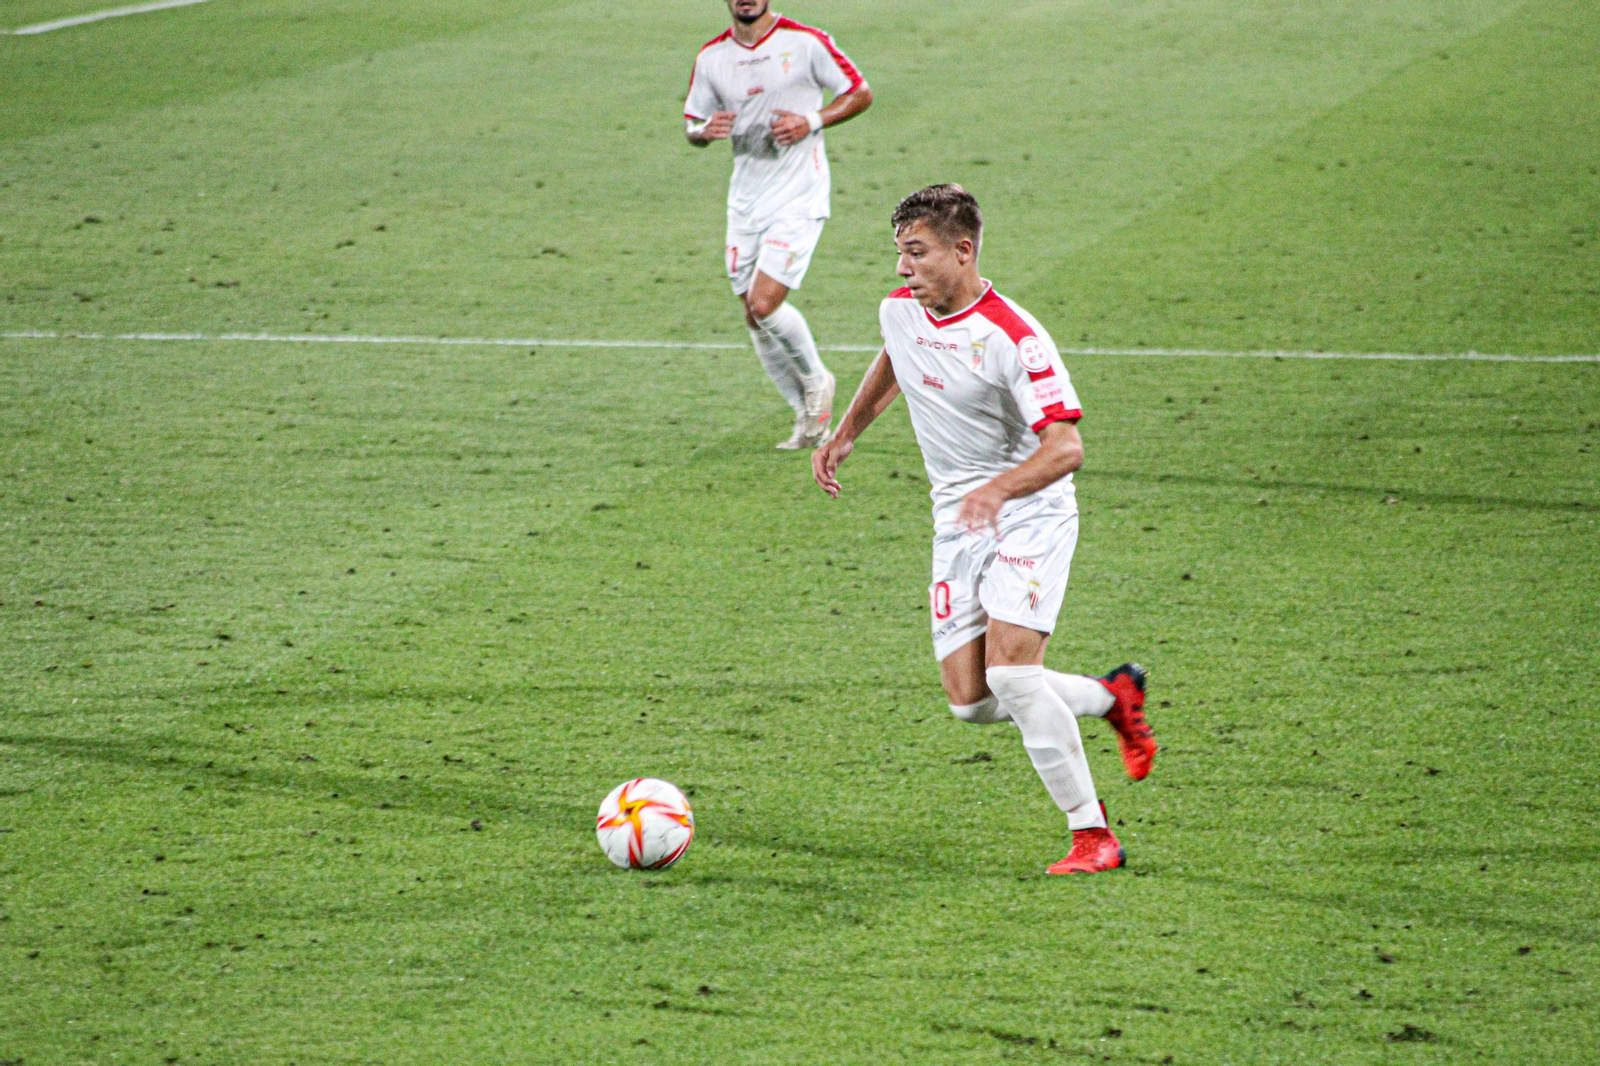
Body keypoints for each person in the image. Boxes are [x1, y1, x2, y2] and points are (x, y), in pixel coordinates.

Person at [811, 184, 1157, 875]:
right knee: (972, 702)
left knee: (1014, 676)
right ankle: (1110, 695)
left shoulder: (1014, 338)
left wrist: (998, 490)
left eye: (918, 252)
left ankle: (1093, 837)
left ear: (963, 251)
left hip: (1029, 513)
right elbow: (898, 355)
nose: (903, 267)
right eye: (900, 252)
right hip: (957, 521)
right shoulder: (900, 311)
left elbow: (1066, 449)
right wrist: (846, 432)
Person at [683, 0, 873, 449]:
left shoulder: (805, 42)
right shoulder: (712, 57)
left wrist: (812, 121)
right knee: (752, 315)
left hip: (798, 196)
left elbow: (859, 92)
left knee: (765, 302)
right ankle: (805, 416)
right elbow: (692, 122)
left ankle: (817, 379)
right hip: (745, 200)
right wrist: (703, 131)